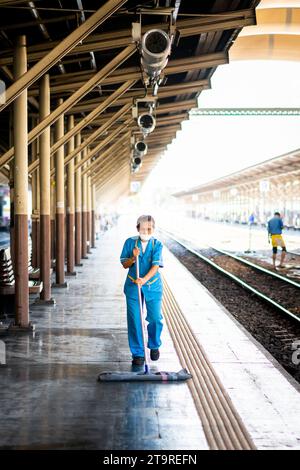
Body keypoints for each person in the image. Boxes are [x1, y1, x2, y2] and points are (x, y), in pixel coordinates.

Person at [120, 215, 164, 366]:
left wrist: (144, 280)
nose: (146, 231)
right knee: (135, 320)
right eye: (143, 228)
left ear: (153, 229)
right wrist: (133, 258)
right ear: (137, 228)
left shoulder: (157, 245)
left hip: (153, 286)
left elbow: (156, 266)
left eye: (149, 228)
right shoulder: (130, 243)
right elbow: (124, 264)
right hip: (133, 286)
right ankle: (138, 353)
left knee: (155, 318)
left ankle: (154, 344)